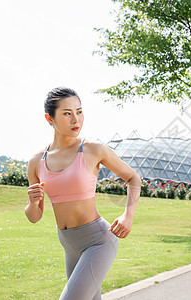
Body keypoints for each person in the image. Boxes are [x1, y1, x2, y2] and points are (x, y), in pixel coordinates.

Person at [24, 87, 141, 300]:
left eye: (79, 111)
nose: (75, 119)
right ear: (49, 118)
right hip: (69, 243)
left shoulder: (92, 149)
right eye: (67, 113)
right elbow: (35, 217)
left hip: (98, 240)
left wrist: (128, 216)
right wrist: (33, 203)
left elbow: (133, 178)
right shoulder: (36, 161)